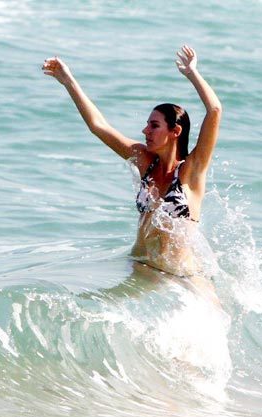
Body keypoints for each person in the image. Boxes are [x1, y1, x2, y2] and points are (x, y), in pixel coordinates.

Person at [42, 45, 222, 279]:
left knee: (217, 316)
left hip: (181, 275)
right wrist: (68, 81)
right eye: (148, 124)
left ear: (175, 131)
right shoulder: (144, 160)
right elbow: (99, 126)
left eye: (154, 126)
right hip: (141, 267)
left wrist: (192, 73)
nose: (145, 130)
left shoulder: (190, 171)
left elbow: (215, 109)